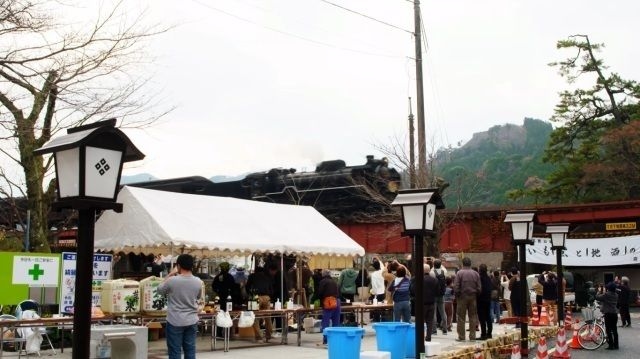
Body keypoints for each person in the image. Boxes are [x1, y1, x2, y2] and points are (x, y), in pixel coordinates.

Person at [157, 254, 203, 359]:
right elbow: (198, 296)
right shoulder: (198, 281)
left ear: (178, 266)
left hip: (175, 320)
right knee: (190, 350)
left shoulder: (173, 280)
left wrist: (170, 274)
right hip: (192, 320)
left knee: (174, 351)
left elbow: (160, 290)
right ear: (192, 266)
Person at [453, 257, 481, 342]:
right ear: (470, 264)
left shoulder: (459, 273)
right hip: (473, 296)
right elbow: (479, 287)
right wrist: (476, 294)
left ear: (463, 263)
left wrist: (457, 294)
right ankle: (472, 336)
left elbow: (456, 286)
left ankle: (462, 336)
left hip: (462, 297)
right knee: (473, 316)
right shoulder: (476, 273)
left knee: (461, 317)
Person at [411, 263, 439, 341]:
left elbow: (413, 290)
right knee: (430, 321)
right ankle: (428, 337)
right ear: (429, 270)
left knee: (420, 321)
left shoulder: (418, 279)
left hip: (421, 303)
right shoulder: (435, 280)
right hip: (431, 303)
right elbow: (438, 292)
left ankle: (420, 337)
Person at [245, 266, 273, 342]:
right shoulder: (267, 276)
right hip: (267, 297)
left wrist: (250, 295)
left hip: (256, 297)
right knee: (268, 316)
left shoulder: (252, 276)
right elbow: (271, 289)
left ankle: (259, 337)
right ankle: (269, 336)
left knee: (255, 317)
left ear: (255, 271)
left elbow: (247, 287)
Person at [318, 269, 341, 346]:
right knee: (336, 322)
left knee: (326, 321)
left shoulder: (323, 282)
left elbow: (320, 293)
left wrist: (318, 301)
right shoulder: (334, 281)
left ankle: (326, 340)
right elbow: (339, 292)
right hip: (337, 301)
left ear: (323, 275)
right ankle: (336, 339)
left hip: (328, 302)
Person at [596, 282, 619, 350]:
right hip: (614, 314)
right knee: (614, 329)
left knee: (608, 330)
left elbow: (597, 297)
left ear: (609, 288)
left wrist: (599, 291)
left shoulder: (606, 294)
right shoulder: (616, 295)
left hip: (608, 314)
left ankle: (611, 345)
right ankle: (616, 345)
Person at [430, 259, 448, 335]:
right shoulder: (444, 272)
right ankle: (445, 329)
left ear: (433, 265)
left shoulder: (432, 272)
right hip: (442, 294)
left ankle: (434, 330)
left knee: (433, 313)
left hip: (434, 294)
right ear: (440, 265)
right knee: (443, 312)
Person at [477, 264, 493, 340]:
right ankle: (489, 333)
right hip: (488, 299)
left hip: (480, 300)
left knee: (482, 318)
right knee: (488, 316)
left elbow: (478, 288)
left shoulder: (479, 278)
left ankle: (483, 334)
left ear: (480, 270)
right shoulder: (489, 278)